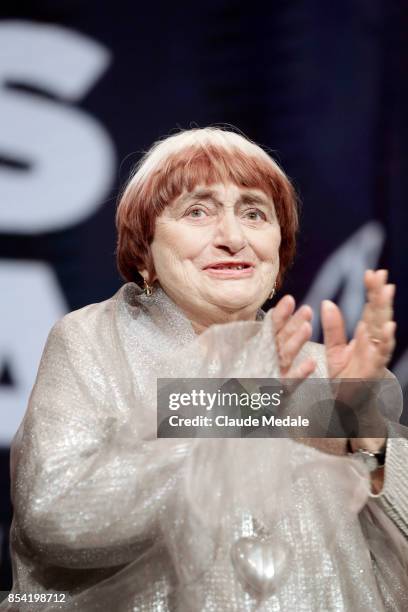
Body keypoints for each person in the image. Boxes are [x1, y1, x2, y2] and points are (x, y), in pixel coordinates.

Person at [2, 127, 408, 612]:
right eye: (198, 211)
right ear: (144, 250)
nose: (233, 238)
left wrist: (364, 441)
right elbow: (53, 517)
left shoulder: (330, 371)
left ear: (278, 256)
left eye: (255, 213)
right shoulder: (93, 340)